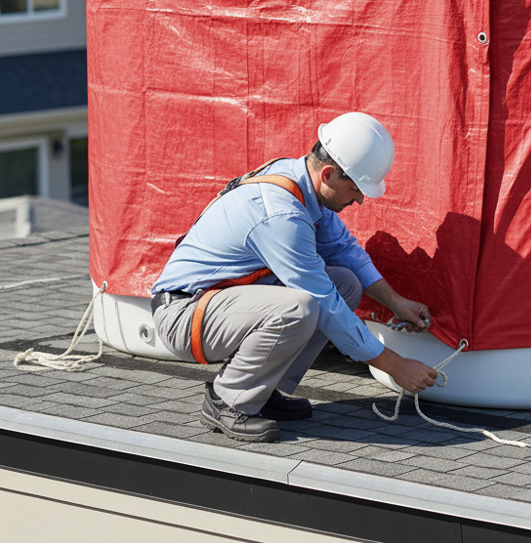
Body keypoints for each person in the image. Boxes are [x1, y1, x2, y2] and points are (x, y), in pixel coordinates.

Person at [151, 112, 438, 443]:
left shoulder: (302, 183)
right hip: (185, 315)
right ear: (329, 174)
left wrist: (397, 303)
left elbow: (345, 251)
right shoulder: (281, 214)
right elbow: (321, 302)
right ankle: (228, 399)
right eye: (356, 188)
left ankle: (262, 390)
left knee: (345, 283)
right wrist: (395, 365)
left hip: (214, 302)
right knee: (300, 306)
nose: (359, 200)